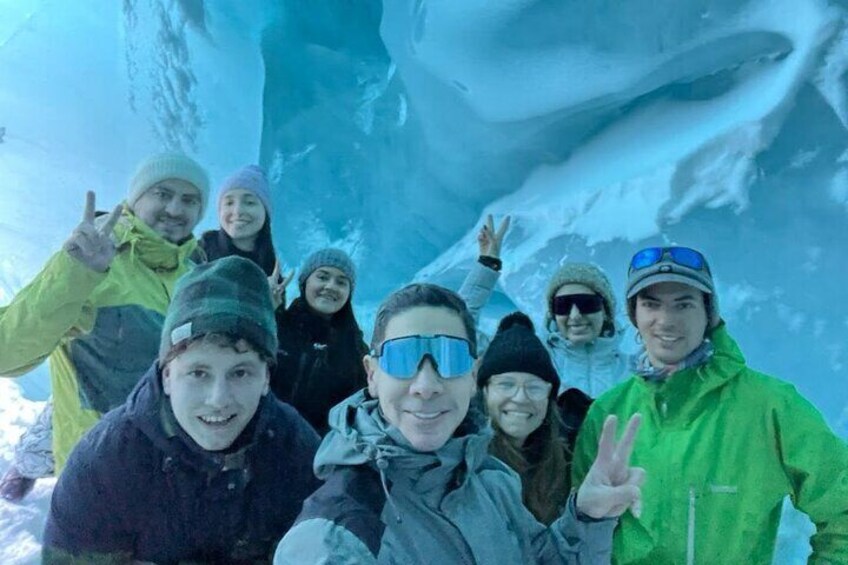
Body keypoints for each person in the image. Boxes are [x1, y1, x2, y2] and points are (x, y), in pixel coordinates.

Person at [274, 283, 645, 564]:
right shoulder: (339, 531)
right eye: (404, 358)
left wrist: (587, 516)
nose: (426, 386)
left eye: (449, 358)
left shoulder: (490, 480)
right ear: (372, 374)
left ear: (471, 375)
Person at [571, 246, 848, 564]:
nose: (666, 320)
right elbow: (581, 538)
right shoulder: (609, 413)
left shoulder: (770, 406)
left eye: (683, 304)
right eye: (651, 304)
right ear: (635, 314)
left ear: (709, 314)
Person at [42, 256, 321, 564]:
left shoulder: (297, 450)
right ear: (167, 376)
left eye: (240, 373)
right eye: (198, 373)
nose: (218, 399)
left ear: (266, 378)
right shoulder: (106, 461)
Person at [0, 152, 209, 498]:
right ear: (135, 198)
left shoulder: (196, 276)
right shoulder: (94, 258)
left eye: (189, 200)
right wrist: (74, 275)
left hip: (166, 461)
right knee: (40, 443)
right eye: (162, 193)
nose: (175, 208)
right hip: (94, 465)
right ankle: (24, 469)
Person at [459, 215, 629, 444]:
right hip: (549, 475)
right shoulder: (533, 362)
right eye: (563, 306)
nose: (575, 315)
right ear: (553, 314)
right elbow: (460, 330)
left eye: (587, 304)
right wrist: (486, 266)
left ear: (605, 311)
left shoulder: (634, 370)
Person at [477, 311, 571, 525]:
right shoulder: (465, 463)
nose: (520, 398)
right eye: (506, 384)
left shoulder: (564, 463)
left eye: (534, 387)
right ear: (485, 391)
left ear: (549, 397)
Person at [272, 248, 368, 435]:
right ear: (305, 282)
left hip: (322, 454)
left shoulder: (356, 350)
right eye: (323, 277)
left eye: (341, 282)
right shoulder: (276, 326)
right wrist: (262, 311)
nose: (331, 286)